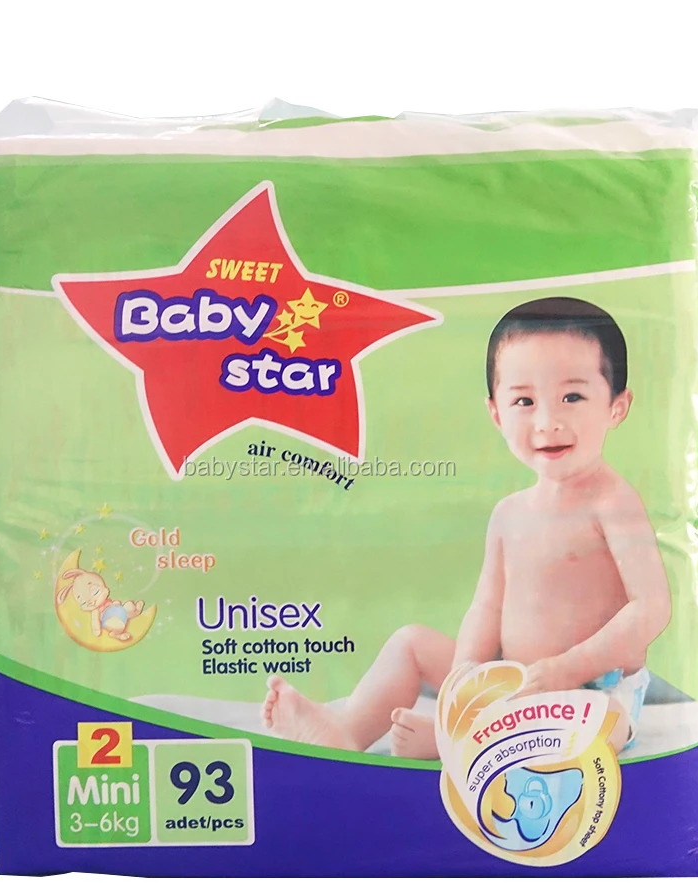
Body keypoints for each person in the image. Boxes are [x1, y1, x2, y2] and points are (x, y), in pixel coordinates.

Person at [261, 297, 672, 757]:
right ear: (496, 413)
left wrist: (566, 669)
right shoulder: (508, 513)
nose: (547, 422)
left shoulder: (612, 502)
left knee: (596, 724)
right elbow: (487, 605)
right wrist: (465, 671)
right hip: (512, 679)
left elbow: (651, 608)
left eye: (572, 397)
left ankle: (456, 739)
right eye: (524, 401)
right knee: (410, 643)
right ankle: (348, 729)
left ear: (616, 406)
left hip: (593, 688)